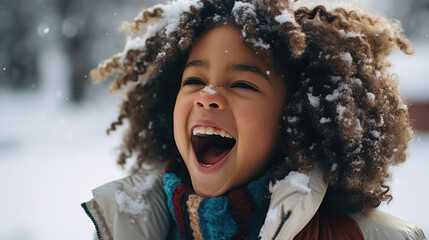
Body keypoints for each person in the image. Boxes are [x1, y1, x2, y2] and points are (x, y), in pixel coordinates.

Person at [81, 0, 426, 239]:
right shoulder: (120, 227)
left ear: (295, 120)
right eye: (194, 81)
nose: (207, 96)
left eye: (243, 83)